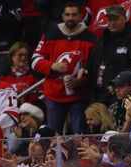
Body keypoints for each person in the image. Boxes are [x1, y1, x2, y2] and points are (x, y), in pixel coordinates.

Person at [31, 1, 95, 134]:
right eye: (67, 14)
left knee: (79, 134)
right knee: (52, 135)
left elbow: (94, 65)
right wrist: (52, 65)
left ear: (80, 16)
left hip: (79, 97)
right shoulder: (49, 34)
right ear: (62, 16)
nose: (70, 18)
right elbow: (35, 61)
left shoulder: (90, 38)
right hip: (54, 95)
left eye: (74, 15)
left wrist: (82, 80)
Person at [87, 5, 131, 106]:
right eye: (109, 19)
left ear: (125, 18)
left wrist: (118, 84)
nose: (112, 23)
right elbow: (95, 58)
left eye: (116, 19)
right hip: (98, 93)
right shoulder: (104, 36)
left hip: (119, 94)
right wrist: (85, 68)